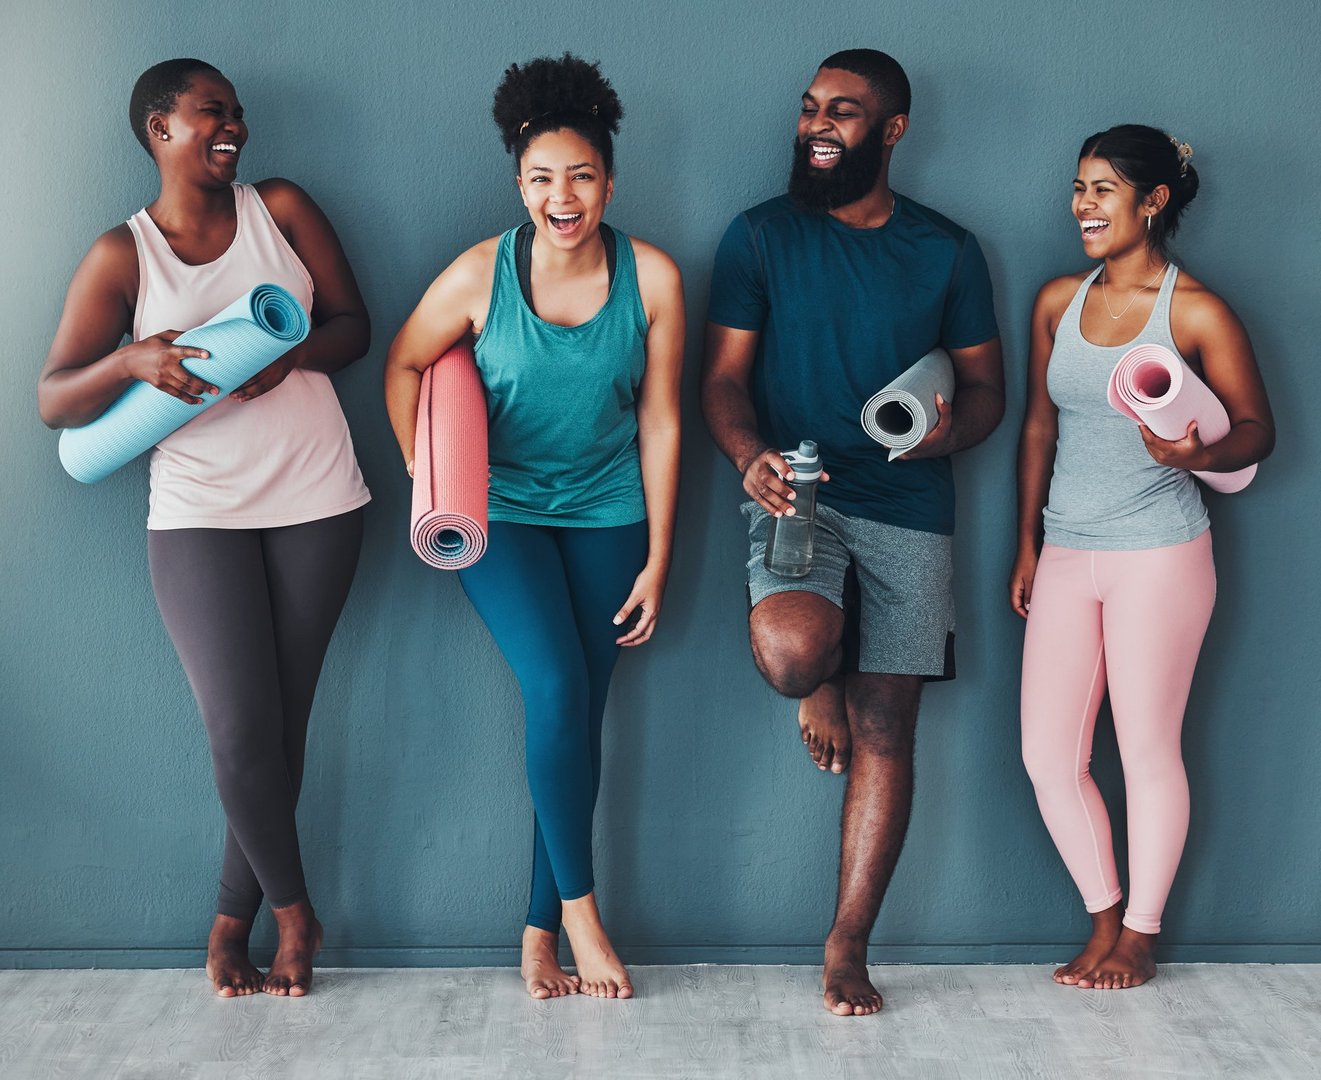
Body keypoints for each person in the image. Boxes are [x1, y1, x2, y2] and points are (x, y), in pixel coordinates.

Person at [37, 59, 372, 997]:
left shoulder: (284, 208)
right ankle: (295, 912)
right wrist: (130, 362)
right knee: (237, 730)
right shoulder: (122, 254)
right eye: (210, 113)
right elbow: (51, 400)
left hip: (317, 497)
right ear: (159, 127)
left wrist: (291, 354)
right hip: (195, 513)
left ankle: (232, 918)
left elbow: (356, 325)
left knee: (283, 725)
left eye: (237, 115)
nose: (233, 128)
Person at [702, 49, 1004, 1015]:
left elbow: (989, 390)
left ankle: (844, 946)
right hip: (795, 490)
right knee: (794, 656)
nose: (818, 125)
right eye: (808, 109)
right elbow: (719, 380)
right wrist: (748, 452)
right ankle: (822, 668)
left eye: (843, 110)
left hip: (912, 506)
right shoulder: (758, 237)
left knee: (889, 728)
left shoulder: (948, 251)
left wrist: (949, 429)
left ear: (892, 129)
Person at [384, 54, 683, 1001]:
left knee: (577, 719)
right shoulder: (480, 275)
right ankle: (585, 919)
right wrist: (428, 474)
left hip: (609, 515)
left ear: (609, 181)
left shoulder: (655, 278)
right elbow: (401, 366)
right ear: (518, 184)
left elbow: (661, 420)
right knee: (554, 685)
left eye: (582, 176)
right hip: (500, 515)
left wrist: (661, 557)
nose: (564, 196)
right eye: (543, 178)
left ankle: (533, 935)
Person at [1011, 124, 1274, 990]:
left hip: (1160, 554)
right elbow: (1040, 425)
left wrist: (1195, 457)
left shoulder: (1194, 310)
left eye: (1101, 190)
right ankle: (1101, 917)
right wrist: (1026, 542)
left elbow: (1256, 431)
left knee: (1147, 750)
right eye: (1077, 188)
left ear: (1151, 201)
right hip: (1066, 550)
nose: (1082, 204)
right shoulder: (1056, 300)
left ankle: (1139, 935)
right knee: (1048, 757)